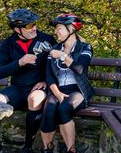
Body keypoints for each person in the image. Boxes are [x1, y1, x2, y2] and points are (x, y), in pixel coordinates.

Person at [0, 9, 56, 153]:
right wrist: (19, 62)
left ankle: (27, 147)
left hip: (37, 87)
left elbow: (56, 66)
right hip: (16, 88)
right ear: (17, 29)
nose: (34, 28)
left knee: (35, 99)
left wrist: (46, 81)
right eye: (29, 26)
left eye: (34, 24)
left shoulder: (47, 39)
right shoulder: (8, 44)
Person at [40, 13, 94, 153]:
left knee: (64, 109)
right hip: (57, 89)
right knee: (49, 108)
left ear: (71, 29)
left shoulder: (84, 48)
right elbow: (49, 75)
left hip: (77, 90)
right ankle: (47, 148)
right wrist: (57, 93)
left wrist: (63, 56)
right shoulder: (54, 48)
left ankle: (71, 149)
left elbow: (80, 69)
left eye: (59, 28)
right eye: (56, 29)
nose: (56, 32)